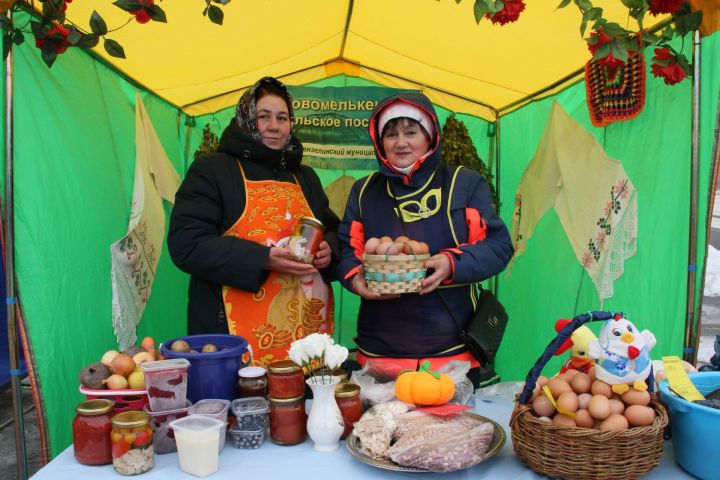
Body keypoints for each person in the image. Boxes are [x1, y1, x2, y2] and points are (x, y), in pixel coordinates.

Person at [336, 92, 514, 384]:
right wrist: (355, 279)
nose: (401, 142)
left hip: (451, 353)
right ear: (380, 143)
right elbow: (347, 249)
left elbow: (498, 246)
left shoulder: (464, 183)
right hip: (380, 351)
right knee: (379, 428)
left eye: (411, 132)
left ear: (430, 136)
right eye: (391, 134)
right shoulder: (364, 190)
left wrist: (451, 263)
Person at [168, 76, 339, 366]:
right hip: (231, 338)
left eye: (282, 118)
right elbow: (187, 243)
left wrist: (329, 249)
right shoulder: (213, 170)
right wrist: (262, 258)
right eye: (263, 116)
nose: (274, 126)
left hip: (305, 334)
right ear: (246, 119)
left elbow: (333, 229)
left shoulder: (304, 176)